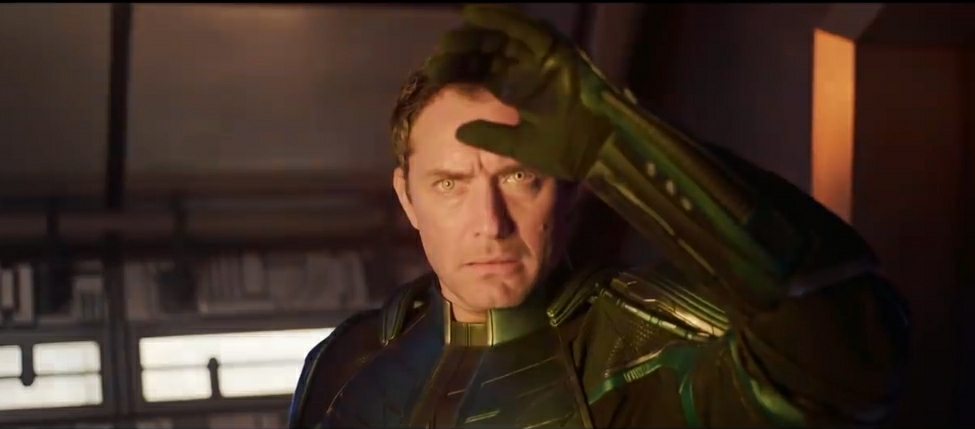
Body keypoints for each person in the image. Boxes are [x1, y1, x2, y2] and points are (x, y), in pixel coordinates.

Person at [287, 5, 909, 428]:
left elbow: (841, 360)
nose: (490, 222)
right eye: (450, 184)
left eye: (519, 176)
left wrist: (620, 142)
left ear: (570, 187)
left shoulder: (658, 337)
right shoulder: (346, 364)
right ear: (407, 197)